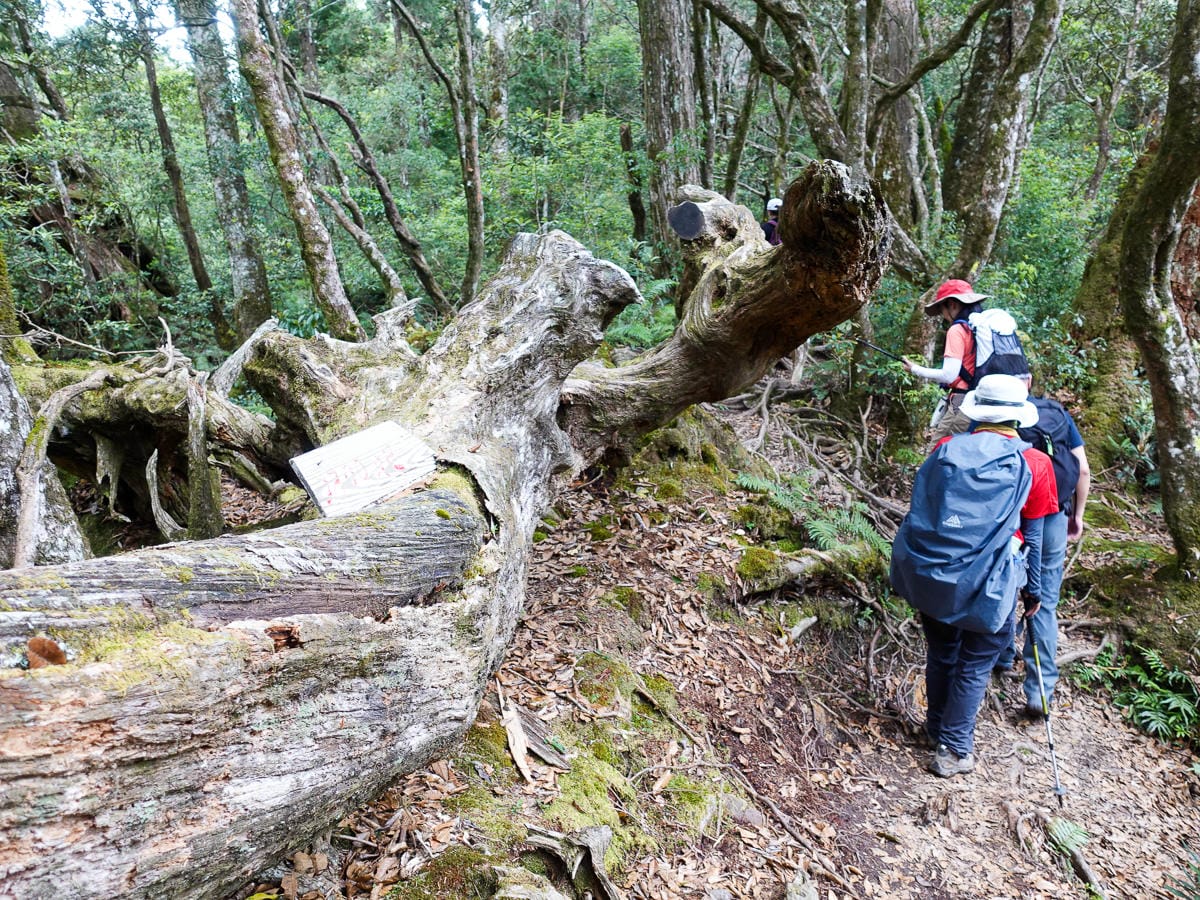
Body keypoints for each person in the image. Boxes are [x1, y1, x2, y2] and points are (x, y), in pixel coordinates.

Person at [922, 374, 1059, 777]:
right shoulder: (1035, 463)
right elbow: (1032, 532)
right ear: (1018, 417)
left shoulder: (946, 448)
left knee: (943, 650)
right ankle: (954, 747)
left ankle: (936, 729)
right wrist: (1033, 590)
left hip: (939, 571)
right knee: (977, 659)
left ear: (978, 411)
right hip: (996, 579)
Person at [998, 394, 1092, 718]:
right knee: (1045, 601)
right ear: (1029, 382)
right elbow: (1082, 471)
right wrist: (1076, 515)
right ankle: (1039, 690)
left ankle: (1000, 656)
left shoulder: (998, 410)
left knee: (1005, 581)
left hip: (1012, 513)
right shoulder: (1057, 414)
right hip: (1054, 513)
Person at [903, 279, 994, 446]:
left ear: (951, 305)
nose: (943, 316)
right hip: (989, 401)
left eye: (942, 309)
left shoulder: (958, 330)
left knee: (937, 452)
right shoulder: (984, 328)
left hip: (963, 400)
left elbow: (948, 374)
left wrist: (915, 369)